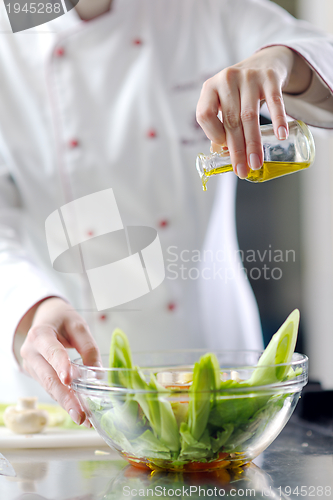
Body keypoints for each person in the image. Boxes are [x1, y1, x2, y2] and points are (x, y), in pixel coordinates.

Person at [0, 0, 332, 427]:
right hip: (64, 383)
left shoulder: (203, 10)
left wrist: (282, 59)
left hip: (213, 369)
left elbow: (321, 58)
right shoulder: (11, 32)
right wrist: (31, 307)